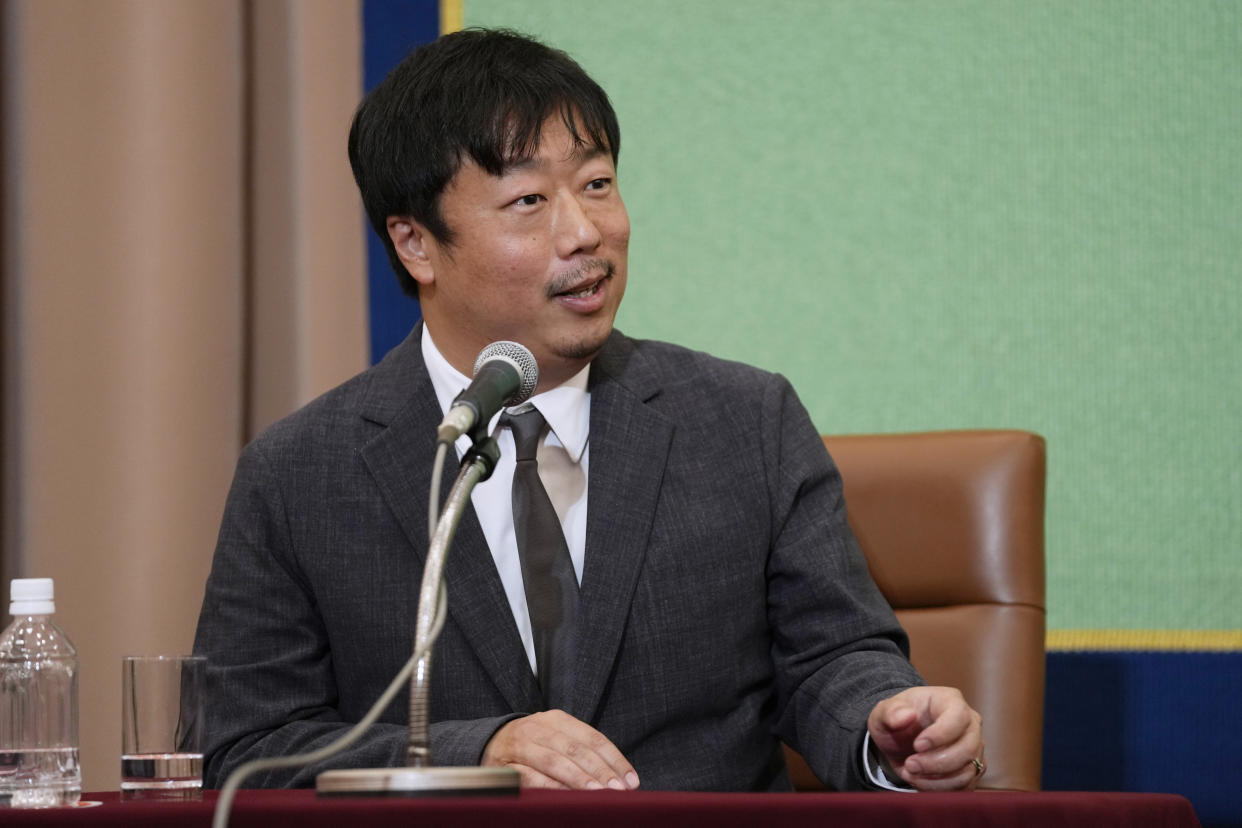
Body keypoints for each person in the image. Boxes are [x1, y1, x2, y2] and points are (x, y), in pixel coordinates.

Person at [193, 27, 985, 793]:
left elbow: (833, 659)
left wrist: (888, 722)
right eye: (530, 200)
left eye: (597, 184)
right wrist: (478, 749)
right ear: (416, 245)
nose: (587, 232)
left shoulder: (745, 422)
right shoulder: (300, 475)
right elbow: (246, 747)